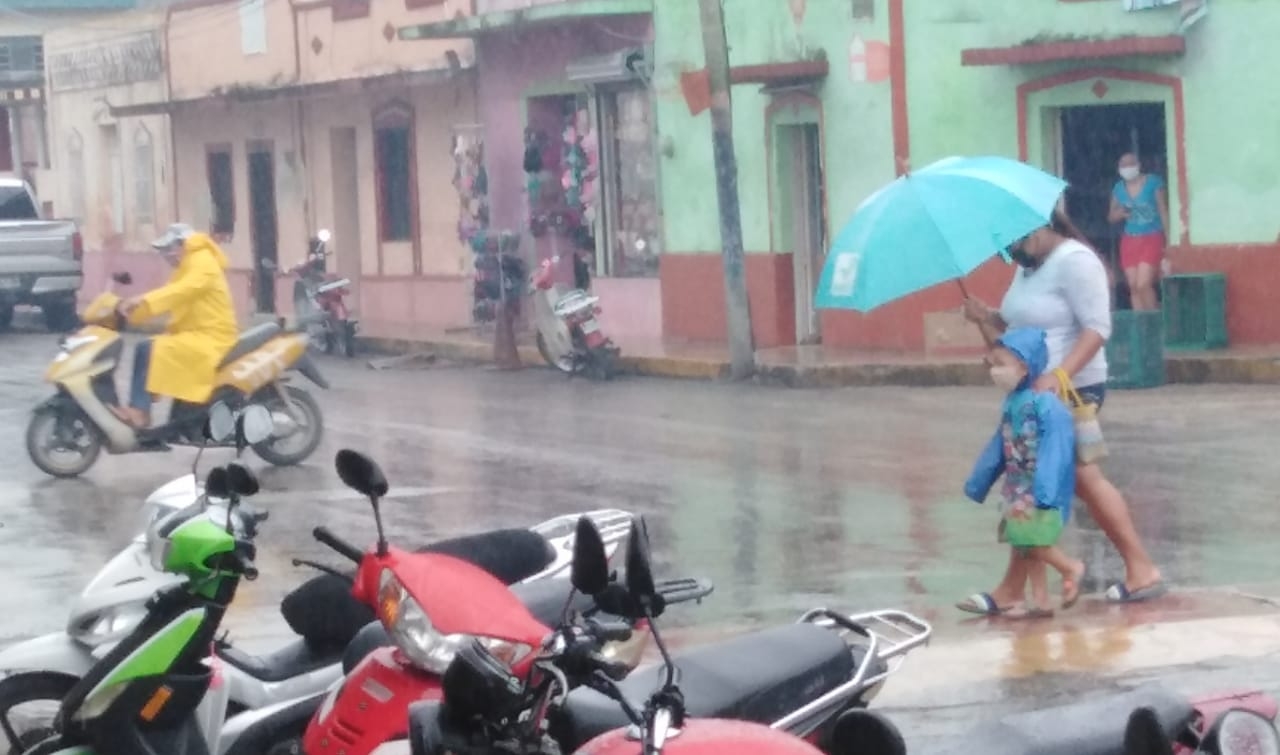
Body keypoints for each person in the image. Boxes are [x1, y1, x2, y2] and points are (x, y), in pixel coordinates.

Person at [958, 202, 1165, 611]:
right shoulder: (1029, 266)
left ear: (1036, 227)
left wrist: (1061, 376)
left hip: (1072, 391)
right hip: (1034, 391)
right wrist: (988, 317)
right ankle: (1023, 587)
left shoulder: (1075, 261)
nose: (1010, 255)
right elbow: (1026, 328)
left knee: (1061, 481)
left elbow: (1097, 328)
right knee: (1050, 481)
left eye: (1012, 244)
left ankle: (1133, 570)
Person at [965, 328, 1084, 618]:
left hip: (1038, 490)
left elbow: (1056, 450)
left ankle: (1070, 567)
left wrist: (1046, 490)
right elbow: (999, 444)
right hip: (1017, 488)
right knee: (1025, 545)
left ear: (1025, 367)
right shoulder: (1013, 404)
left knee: (1034, 542)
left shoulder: (1046, 405)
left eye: (1001, 365)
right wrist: (980, 480)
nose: (996, 372)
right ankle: (1041, 600)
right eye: (993, 365)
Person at [110, 223, 239, 429]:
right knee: (147, 347)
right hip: (197, 335)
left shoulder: (202, 262)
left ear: (182, 245)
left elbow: (181, 291)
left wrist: (141, 300)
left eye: (168, 249)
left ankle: (140, 412)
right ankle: (143, 409)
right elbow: (171, 295)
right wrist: (130, 312)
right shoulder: (189, 264)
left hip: (212, 338)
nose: (166, 256)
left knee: (149, 350)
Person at [1108, 153, 1170, 311]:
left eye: (1130, 164)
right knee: (1133, 286)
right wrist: (1120, 213)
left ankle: (1155, 321)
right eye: (1123, 165)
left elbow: (1163, 211)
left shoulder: (1154, 183)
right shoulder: (1118, 188)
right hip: (1129, 241)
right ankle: (1142, 329)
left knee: (1143, 284)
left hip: (1152, 237)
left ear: (1138, 165)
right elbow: (1111, 216)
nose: (1127, 168)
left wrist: (1169, 241)